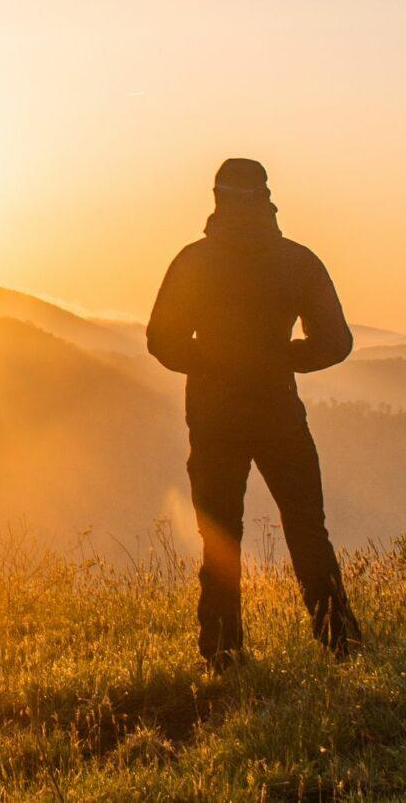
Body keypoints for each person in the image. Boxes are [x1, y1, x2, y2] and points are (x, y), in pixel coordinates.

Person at [147, 157, 362, 671]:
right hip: (278, 411)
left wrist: (214, 361)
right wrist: (283, 357)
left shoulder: (194, 261)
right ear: (266, 197)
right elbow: (337, 341)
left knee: (221, 535)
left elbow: (162, 341)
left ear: (217, 199)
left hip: (214, 413)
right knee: (308, 528)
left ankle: (223, 655)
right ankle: (342, 646)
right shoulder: (297, 261)